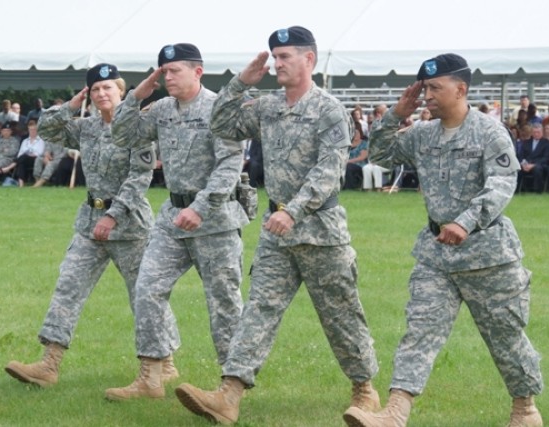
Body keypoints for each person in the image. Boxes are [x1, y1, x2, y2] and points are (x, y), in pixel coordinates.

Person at [174, 26, 379, 426]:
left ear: (309, 60)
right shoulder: (268, 106)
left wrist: (294, 210)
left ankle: (364, 389)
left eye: (285, 56)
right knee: (259, 312)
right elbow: (221, 123)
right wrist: (239, 83)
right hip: (277, 232)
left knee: (340, 315)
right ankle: (228, 396)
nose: (276, 64)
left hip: (320, 232)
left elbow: (329, 169)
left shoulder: (328, 109)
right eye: (274, 57)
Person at [344, 53, 543, 427]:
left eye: (435, 87)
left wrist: (466, 222)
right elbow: (382, 153)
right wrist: (396, 113)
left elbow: (502, 183)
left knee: (506, 338)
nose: (427, 95)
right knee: (419, 330)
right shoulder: (422, 133)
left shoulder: (489, 131)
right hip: (437, 255)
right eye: (424, 89)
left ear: (461, 89)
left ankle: (525, 409)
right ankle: (395, 413)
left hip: (487, 255)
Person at [105, 43, 249, 401]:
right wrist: (137, 94)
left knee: (224, 303)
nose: (167, 77)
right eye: (163, 72)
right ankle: (150, 377)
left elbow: (230, 164)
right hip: (172, 218)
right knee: (147, 288)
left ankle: (229, 387)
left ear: (197, 71)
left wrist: (200, 207)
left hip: (214, 218)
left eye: (174, 71)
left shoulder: (219, 108)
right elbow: (122, 134)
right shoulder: (162, 109)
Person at [4, 63, 160, 389]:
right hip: (89, 222)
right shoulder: (85, 127)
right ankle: (49, 364)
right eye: (95, 90)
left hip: (130, 226)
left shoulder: (138, 128)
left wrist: (113, 215)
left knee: (144, 297)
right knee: (68, 286)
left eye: (108, 88)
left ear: (122, 92)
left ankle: (161, 363)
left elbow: (139, 178)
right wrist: (70, 105)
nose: (102, 94)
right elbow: (46, 129)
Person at [0, 119, 45, 187]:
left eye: (34, 130)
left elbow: (40, 153)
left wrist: (30, 154)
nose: (32, 131)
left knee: (23, 158)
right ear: (28, 130)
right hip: (24, 159)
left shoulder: (41, 141)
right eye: (30, 130)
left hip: (35, 159)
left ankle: (8, 168)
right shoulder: (25, 141)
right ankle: (21, 184)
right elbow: (20, 153)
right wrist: (27, 153)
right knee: (21, 162)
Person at [517, 124, 549, 193]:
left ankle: (538, 190)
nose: (536, 134)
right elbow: (520, 155)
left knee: (537, 169)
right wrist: (523, 163)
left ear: (542, 132)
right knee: (517, 169)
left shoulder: (547, 143)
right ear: (532, 133)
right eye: (534, 132)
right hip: (526, 164)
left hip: (540, 164)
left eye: (538, 132)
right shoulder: (526, 142)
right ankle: (517, 190)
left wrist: (533, 165)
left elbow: (546, 158)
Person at [344, 123, 369, 190]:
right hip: (346, 163)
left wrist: (349, 161)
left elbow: (362, 157)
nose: (355, 135)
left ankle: (350, 187)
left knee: (348, 167)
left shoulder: (364, 143)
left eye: (357, 134)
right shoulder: (347, 144)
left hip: (359, 165)